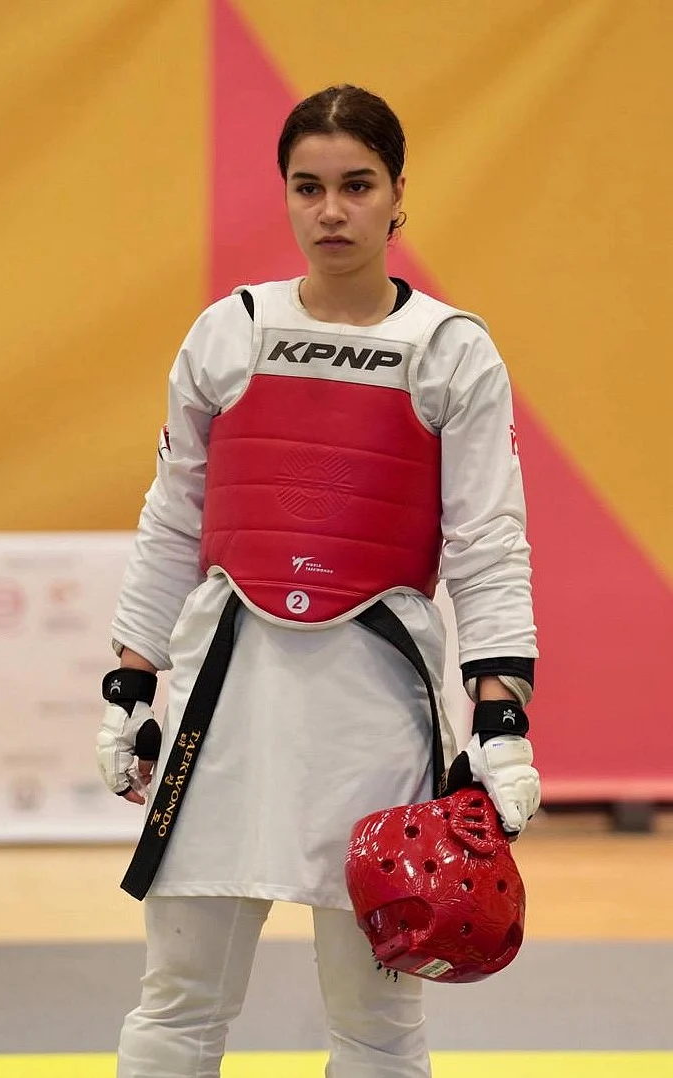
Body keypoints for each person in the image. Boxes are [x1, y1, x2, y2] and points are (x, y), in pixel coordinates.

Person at [96, 84, 540, 1078]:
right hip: (226, 704)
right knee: (177, 1004)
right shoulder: (228, 332)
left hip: (373, 717)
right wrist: (129, 684)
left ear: (397, 194)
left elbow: (488, 543)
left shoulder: (451, 352)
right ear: (287, 195)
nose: (332, 210)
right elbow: (172, 518)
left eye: (356, 185)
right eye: (309, 187)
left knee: (376, 1023)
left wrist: (503, 721)